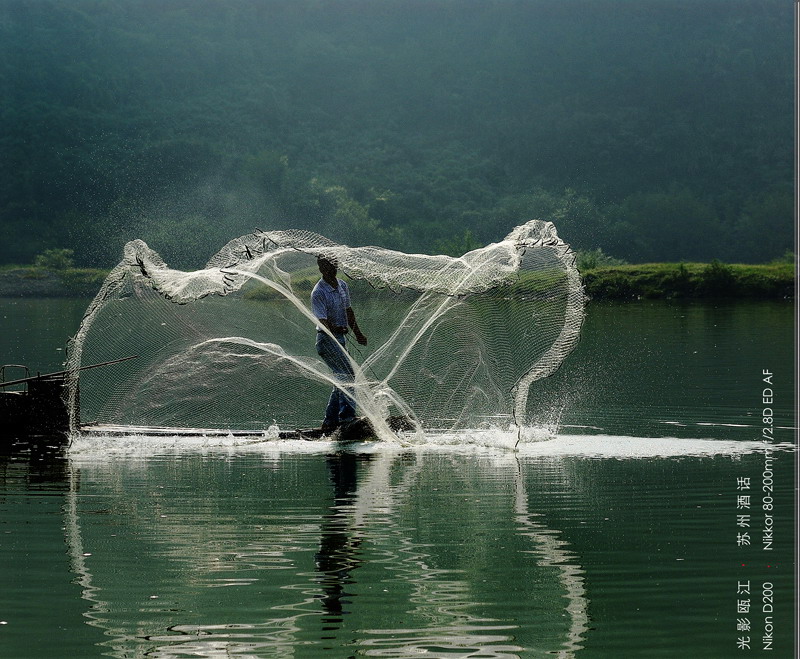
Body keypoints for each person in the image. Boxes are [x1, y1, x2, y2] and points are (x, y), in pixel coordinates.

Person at [311, 256, 367, 433]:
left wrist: (357, 333)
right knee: (347, 375)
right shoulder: (318, 292)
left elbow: (348, 311)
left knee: (341, 379)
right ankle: (346, 418)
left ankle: (330, 422)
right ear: (321, 268)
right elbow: (322, 321)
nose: (332, 269)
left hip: (340, 340)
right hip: (326, 340)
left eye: (334, 265)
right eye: (327, 266)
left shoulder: (342, 286)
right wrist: (337, 328)